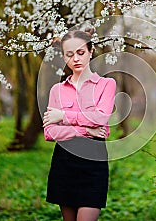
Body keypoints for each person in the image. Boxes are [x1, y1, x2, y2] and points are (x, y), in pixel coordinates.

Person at [43, 28, 116, 221]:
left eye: (81, 53)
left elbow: (100, 119)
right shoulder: (56, 90)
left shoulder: (106, 84)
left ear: (91, 52)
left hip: (94, 160)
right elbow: (49, 132)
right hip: (64, 160)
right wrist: (85, 128)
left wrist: (63, 116)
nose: (76, 59)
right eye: (69, 54)